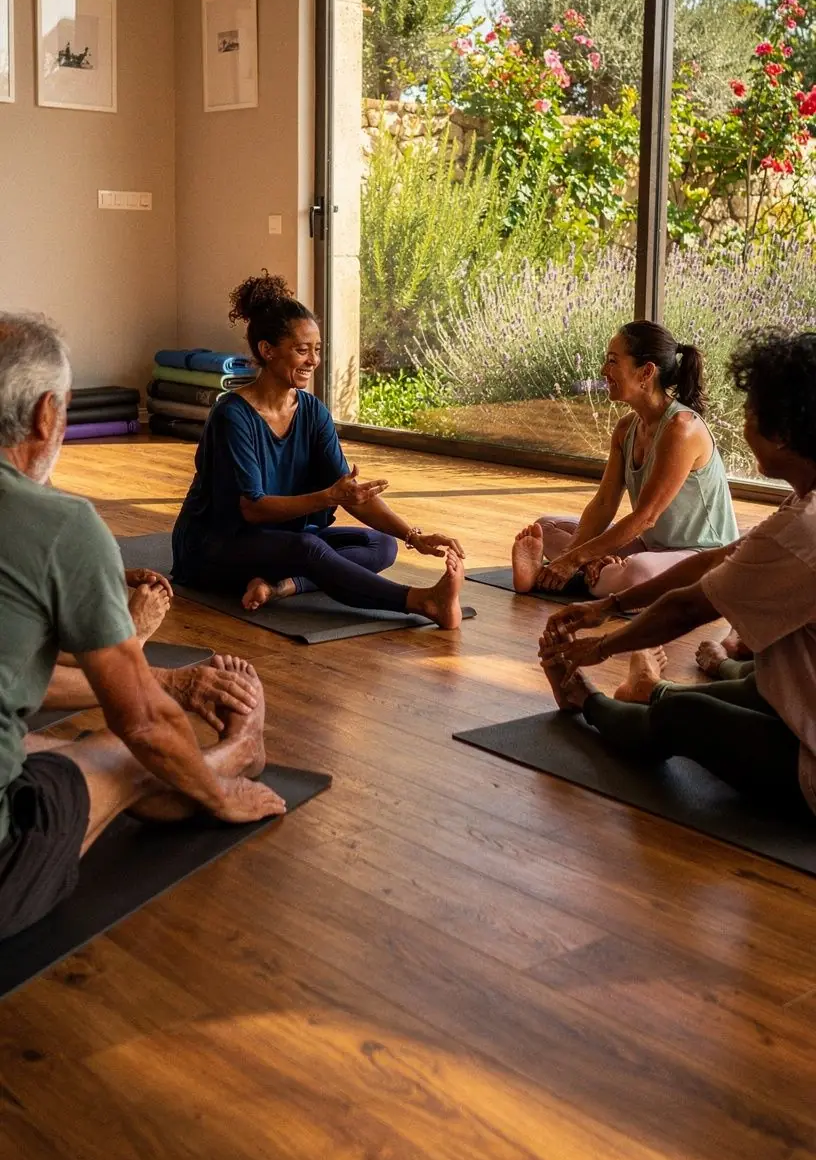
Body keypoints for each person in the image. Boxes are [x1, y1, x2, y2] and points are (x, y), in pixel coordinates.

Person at [0, 312, 286, 941]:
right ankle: (237, 755)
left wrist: (175, 683)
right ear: (48, 414)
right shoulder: (62, 525)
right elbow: (143, 724)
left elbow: (14, 680)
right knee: (123, 754)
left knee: (42, 749)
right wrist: (218, 793)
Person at [538, 328, 816, 822]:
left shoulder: (801, 528)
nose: (745, 420)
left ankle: (589, 698)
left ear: (784, 429)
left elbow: (689, 604)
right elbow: (720, 559)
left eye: (752, 410)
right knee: (758, 680)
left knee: (682, 714)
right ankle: (653, 686)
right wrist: (607, 605)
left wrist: (599, 646)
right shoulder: (802, 505)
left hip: (807, 764)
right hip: (796, 700)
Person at [172, 273, 466, 629]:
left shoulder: (312, 411)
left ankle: (283, 586)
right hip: (213, 548)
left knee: (382, 546)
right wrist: (328, 497)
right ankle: (420, 601)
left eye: (317, 349)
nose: (313, 360)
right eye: (301, 350)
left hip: (279, 542)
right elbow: (252, 509)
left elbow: (350, 494)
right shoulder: (232, 415)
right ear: (267, 350)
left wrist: (413, 536)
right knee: (308, 550)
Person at [512, 319, 739, 597]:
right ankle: (596, 571)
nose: (603, 371)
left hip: (703, 557)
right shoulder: (626, 429)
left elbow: (646, 517)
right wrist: (570, 556)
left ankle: (589, 572)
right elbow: (605, 503)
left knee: (637, 573)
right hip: (650, 546)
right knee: (547, 527)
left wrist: (574, 560)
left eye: (612, 361)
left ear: (646, 372)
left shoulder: (682, 428)